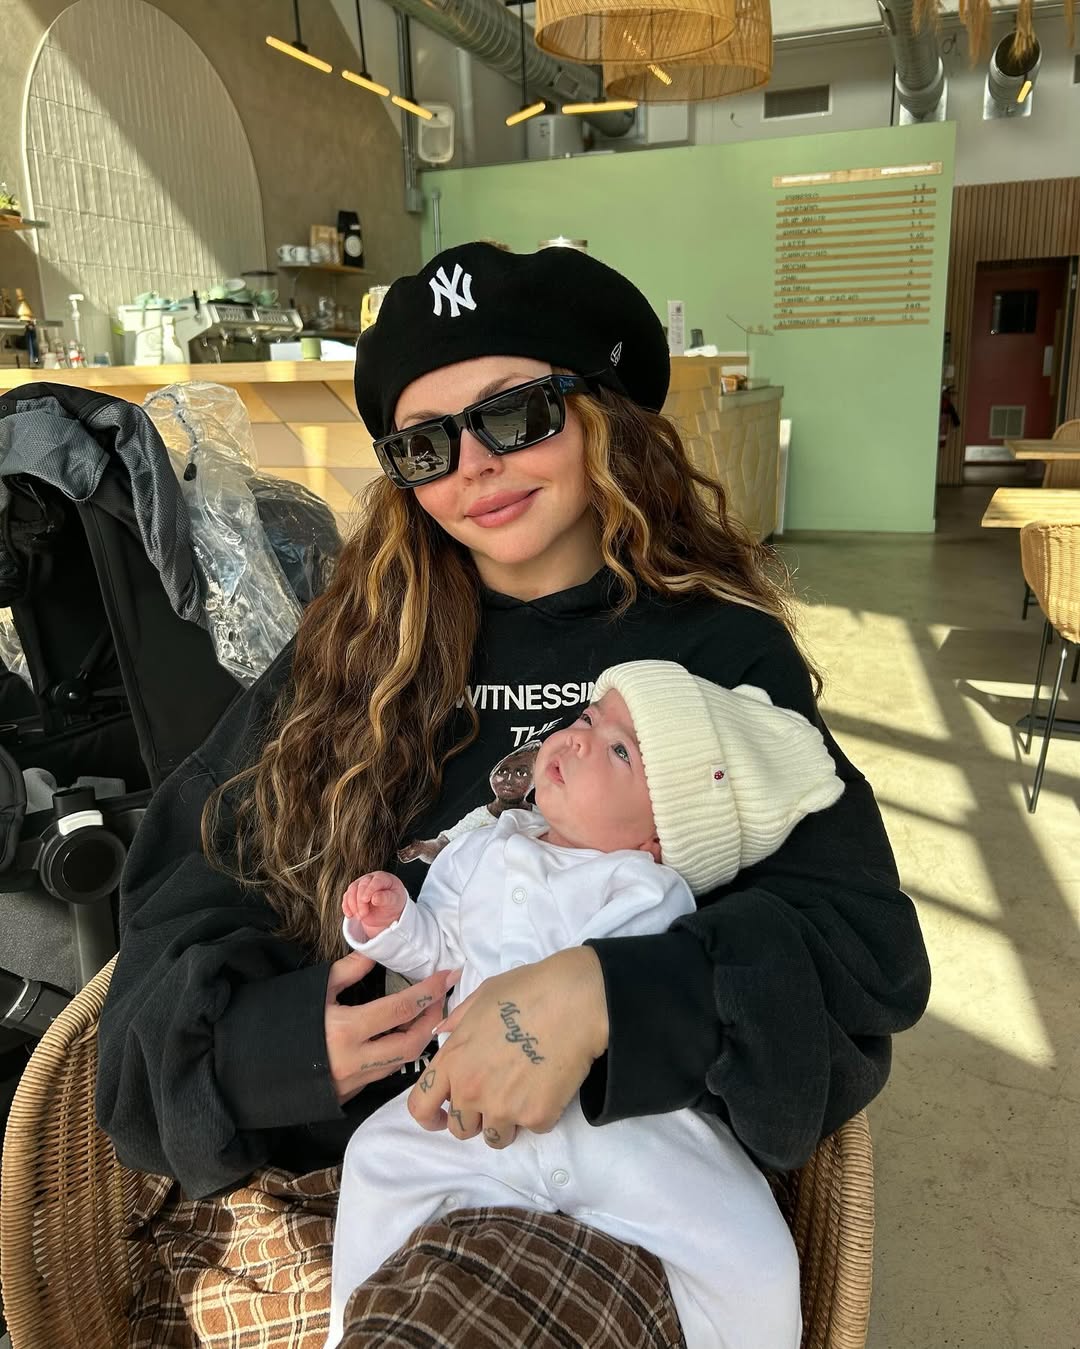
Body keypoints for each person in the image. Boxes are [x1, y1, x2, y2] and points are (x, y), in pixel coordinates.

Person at [95, 241, 931, 1347]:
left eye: (517, 414)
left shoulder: (717, 654)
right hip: (368, 1172)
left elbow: (860, 952)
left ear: (602, 418)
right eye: (427, 443)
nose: (475, 468)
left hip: (619, 1188)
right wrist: (291, 1047)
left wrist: (606, 996)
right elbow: (182, 898)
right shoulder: (345, 652)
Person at [327, 660, 845, 1349]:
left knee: (751, 1248)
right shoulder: (480, 850)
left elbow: (614, 992)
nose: (577, 739)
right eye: (587, 719)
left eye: (620, 751)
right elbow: (439, 956)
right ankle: (343, 1330)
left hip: (612, 1127)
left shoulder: (643, 886)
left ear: (658, 839)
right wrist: (391, 922)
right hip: (469, 1109)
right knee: (374, 1158)